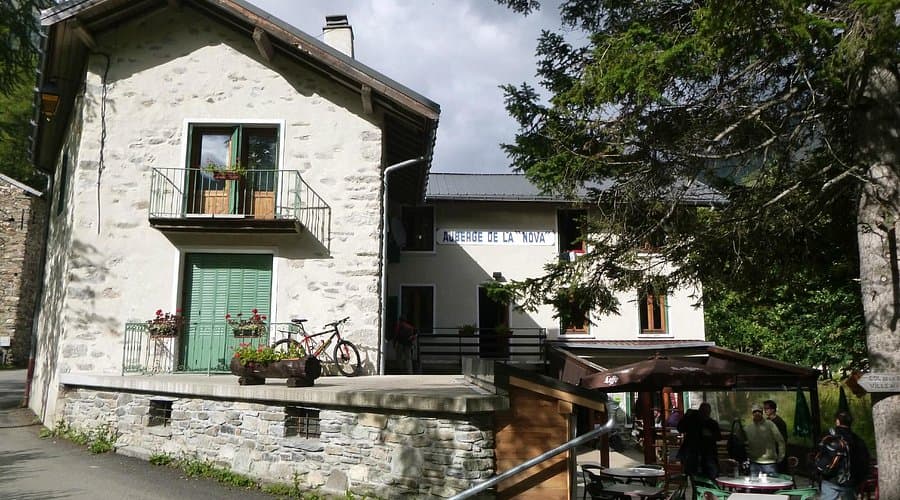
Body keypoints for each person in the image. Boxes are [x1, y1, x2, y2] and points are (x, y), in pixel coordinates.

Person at [820, 410, 871, 500]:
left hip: (829, 480)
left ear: (837, 421)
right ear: (851, 422)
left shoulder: (828, 437)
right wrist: (859, 481)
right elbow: (865, 463)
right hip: (850, 483)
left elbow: (818, 454)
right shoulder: (858, 440)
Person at [677, 402, 721, 478]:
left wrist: (710, 435)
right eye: (703, 411)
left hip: (707, 454)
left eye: (706, 412)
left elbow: (718, 437)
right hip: (693, 453)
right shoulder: (693, 422)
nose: (704, 414)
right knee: (693, 475)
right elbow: (680, 428)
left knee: (709, 475)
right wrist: (686, 416)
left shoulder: (712, 423)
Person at [744, 403, 785, 476]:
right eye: (754, 412)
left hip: (769, 462)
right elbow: (745, 443)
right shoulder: (748, 428)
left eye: (759, 412)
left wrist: (781, 456)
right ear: (752, 414)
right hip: (754, 462)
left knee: (772, 485)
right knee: (755, 485)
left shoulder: (770, 424)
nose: (757, 414)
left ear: (762, 413)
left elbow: (780, 440)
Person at [763, 399, 789, 472]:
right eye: (764, 408)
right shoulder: (767, 420)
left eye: (767, 408)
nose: (765, 410)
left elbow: (783, 439)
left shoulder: (779, 422)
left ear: (773, 409)